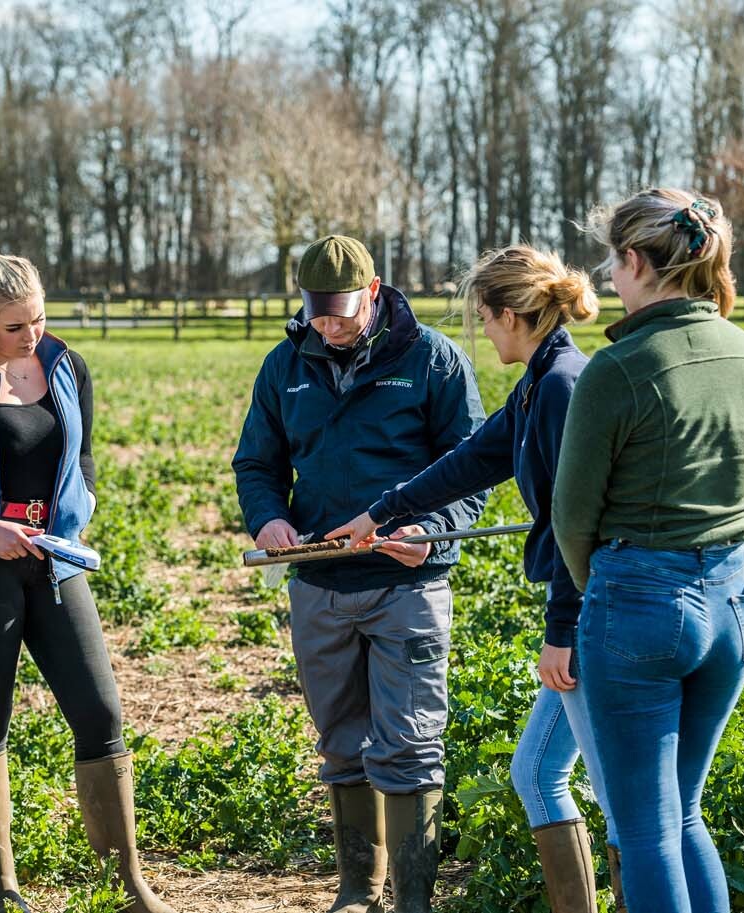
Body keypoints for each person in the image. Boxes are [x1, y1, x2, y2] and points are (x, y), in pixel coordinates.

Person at [327, 245, 621, 913]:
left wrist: (563, 631)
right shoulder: (541, 380)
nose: (483, 333)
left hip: (592, 613)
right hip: (579, 608)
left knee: (613, 791)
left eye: (484, 319)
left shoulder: (562, 387)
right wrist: (380, 513)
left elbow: (582, 530)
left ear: (512, 315)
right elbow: (470, 460)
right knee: (538, 773)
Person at [0, 244, 172, 913]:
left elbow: (80, 454)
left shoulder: (64, 365)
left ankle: (126, 883)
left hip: (54, 560)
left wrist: (69, 517)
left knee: (100, 710)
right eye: (14, 326)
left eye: (38, 319)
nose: (31, 336)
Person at [232, 234, 486, 913]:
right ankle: (357, 888)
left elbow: (472, 469)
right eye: (317, 313)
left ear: (374, 293)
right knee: (341, 741)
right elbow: (256, 463)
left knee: (409, 742)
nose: (328, 325)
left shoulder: (433, 361)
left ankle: (413, 900)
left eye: (341, 312)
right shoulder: (284, 366)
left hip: (406, 585)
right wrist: (268, 520)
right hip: (319, 587)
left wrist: (429, 533)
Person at [552, 189, 744, 913]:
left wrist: (609, 593)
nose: (610, 279)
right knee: (684, 815)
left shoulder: (618, 369)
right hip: (734, 603)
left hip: (640, 604)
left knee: (645, 831)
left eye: (613, 262)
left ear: (636, 261)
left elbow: (571, 518)